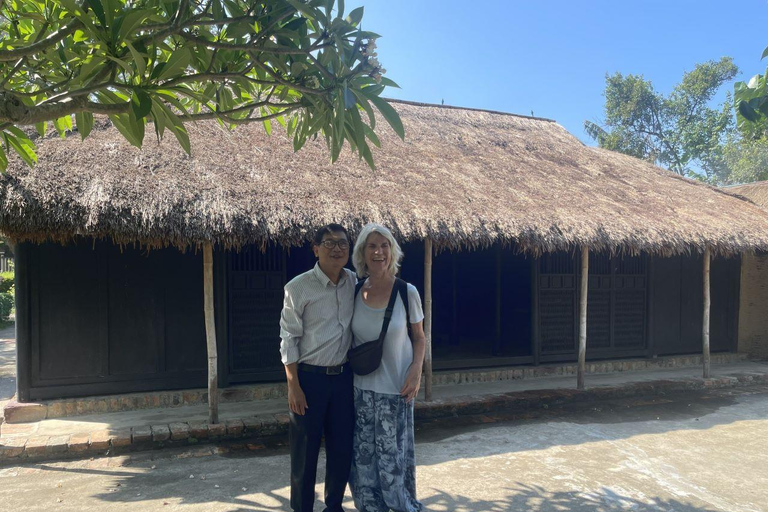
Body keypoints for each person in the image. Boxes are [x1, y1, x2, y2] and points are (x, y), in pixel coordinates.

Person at [349, 223, 426, 512]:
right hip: (360, 393)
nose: (378, 251)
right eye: (372, 246)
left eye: (384, 245)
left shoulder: (407, 292)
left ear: (392, 251)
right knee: (364, 466)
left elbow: (419, 337)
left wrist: (416, 370)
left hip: (396, 391)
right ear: (362, 253)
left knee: (393, 466)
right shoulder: (355, 292)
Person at [279, 223, 356, 512]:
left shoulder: (353, 281)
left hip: (343, 379)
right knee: (304, 454)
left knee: (341, 449)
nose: (337, 248)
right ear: (315, 248)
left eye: (343, 243)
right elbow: (288, 338)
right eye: (329, 242)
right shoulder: (297, 288)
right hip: (309, 381)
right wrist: (293, 385)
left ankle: (333, 506)